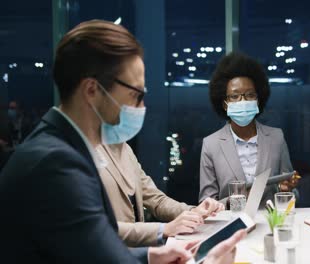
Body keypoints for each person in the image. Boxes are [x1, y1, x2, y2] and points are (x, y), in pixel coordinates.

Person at [0, 20, 244, 263]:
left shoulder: (63, 146)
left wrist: (149, 256)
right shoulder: (57, 163)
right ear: (92, 90)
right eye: (136, 95)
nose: (143, 107)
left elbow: (91, 247)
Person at [199, 52, 300, 204]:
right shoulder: (211, 144)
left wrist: (287, 190)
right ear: (224, 103)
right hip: (231, 224)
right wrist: (234, 201)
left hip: (270, 222)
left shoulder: (276, 137)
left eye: (249, 95)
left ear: (259, 99)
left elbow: (292, 194)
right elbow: (205, 203)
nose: (243, 101)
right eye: (234, 96)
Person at [96, 142, 224, 247]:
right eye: (135, 108)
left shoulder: (125, 149)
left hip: (135, 253)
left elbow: (155, 199)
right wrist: (164, 229)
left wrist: (193, 211)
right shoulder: (87, 151)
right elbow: (97, 226)